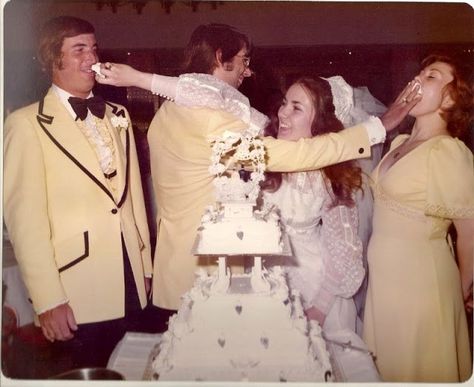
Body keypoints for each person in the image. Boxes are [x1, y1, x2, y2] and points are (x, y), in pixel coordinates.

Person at [95, 23, 418, 313]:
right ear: (222, 57)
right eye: (244, 60)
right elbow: (285, 155)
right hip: (212, 269)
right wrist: (376, 127)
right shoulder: (211, 118)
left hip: (180, 264)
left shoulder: (168, 111)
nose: (247, 72)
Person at [3, 16, 153, 369]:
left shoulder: (118, 114)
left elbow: (132, 201)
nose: (92, 57)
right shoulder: (25, 124)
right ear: (53, 59)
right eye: (79, 49)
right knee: (87, 371)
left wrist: (144, 265)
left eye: (94, 47)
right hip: (75, 284)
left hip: (129, 277)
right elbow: (26, 222)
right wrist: (47, 299)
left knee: (134, 369)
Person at [363, 54, 474, 382]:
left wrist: (464, 287)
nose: (416, 80)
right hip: (384, 286)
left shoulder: (448, 152)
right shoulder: (398, 141)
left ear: (451, 97)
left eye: (431, 77)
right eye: (419, 73)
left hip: (422, 288)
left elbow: (469, 232)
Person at [262, 75, 365, 333]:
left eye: (296, 108)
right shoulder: (265, 152)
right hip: (261, 277)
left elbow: (344, 246)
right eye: (284, 103)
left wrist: (319, 307)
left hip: (311, 281)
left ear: (319, 123)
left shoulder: (329, 176)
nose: (282, 113)